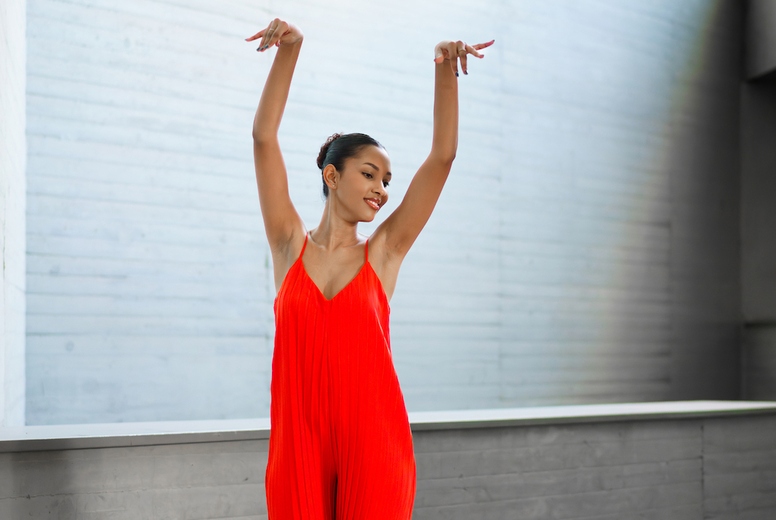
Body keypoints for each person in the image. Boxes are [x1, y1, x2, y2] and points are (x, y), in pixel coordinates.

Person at [246, 18, 493, 520]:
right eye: (369, 174)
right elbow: (263, 139)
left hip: (374, 446)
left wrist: (445, 68)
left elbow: (442, 157)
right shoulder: (288, 245)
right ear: (332, 176)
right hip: (298, 448)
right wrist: (290, 49)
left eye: (387, 180)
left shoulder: (384, 253)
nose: (382, 189)